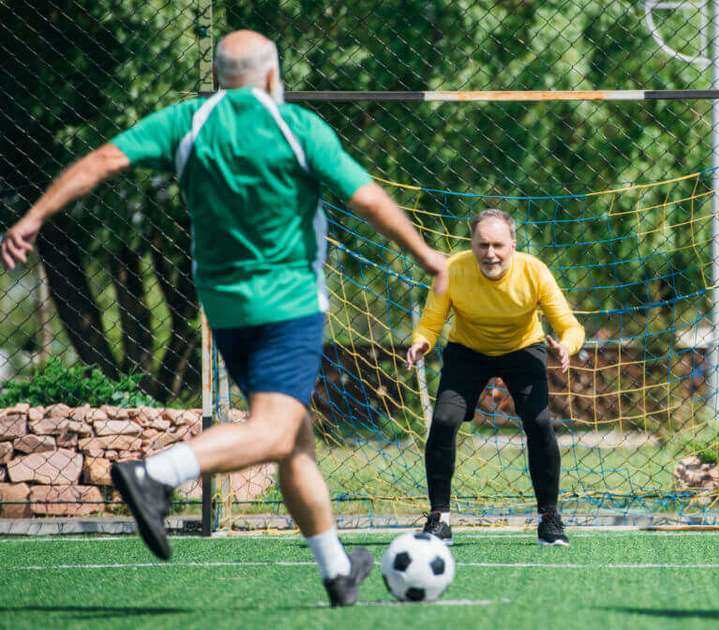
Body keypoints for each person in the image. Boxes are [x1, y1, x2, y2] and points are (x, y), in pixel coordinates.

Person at [0, 30, 447, 607]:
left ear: (218, 76)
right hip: (289, 305)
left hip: (225, 309)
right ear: (269, 75)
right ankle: (156, 474)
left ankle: (339, 572)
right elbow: (366, 198)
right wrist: (428, 255)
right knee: (277, 429)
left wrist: (34, 216)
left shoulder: (186, 121)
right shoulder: (298, 126)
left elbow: (102, 160)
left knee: (296, 441)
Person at [406, 208, 584, 546]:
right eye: (482, 244)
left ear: (513, 245)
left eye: (498, 245)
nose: (490, 253)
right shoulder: (452, 270)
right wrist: (421, 342)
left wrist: (566, 346)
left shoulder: (535, 272)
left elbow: (570, 325)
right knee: (444, 421)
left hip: (523, 349)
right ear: (471, 244)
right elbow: (431, 322)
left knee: (540, 423)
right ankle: (439, 519)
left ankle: (549, 518)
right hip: (467, 351)